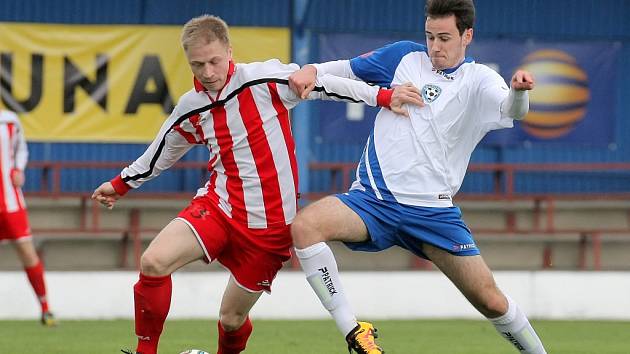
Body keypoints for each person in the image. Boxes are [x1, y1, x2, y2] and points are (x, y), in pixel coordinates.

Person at [92, 15, 421, 354]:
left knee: (231, 319)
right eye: (198, 64)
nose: (207, 72)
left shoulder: (263, 80)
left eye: (214, 61)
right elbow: (163, 149)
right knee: (153, 262)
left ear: (229, 51)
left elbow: (328, 86)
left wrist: (382, 97)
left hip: (270, 229)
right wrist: (120, 185)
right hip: (219, 207)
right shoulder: (192, 107)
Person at [288, 0, 547, 353]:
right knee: (305, 227)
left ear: (467, 35)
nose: (435, 47)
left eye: (444, 38)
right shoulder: (404, 58)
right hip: (373, 201)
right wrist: (312, 70)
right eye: (429, 37)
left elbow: (511, 110)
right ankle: (355, 331)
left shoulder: (479, 79)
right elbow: (348, 69)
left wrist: (519, 92)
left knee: (491, 301)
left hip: (433, 213)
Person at [0, 110, 56, 327]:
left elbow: (21, 149)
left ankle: (45, 309)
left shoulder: (9, 120)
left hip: (10, 201)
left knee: (27, 252)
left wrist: (18, 169)